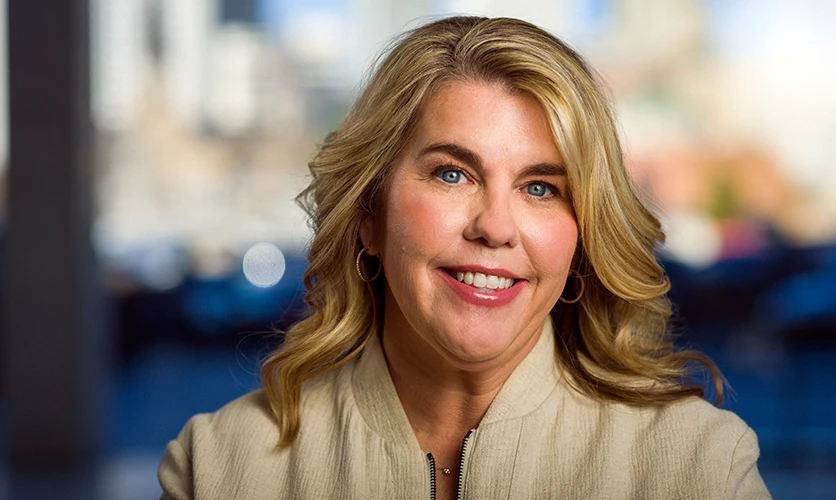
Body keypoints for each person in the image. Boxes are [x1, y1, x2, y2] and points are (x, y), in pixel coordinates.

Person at [158, 16, 770, 499]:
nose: (495, 227)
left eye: (540, 188)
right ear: (369, 214)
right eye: (452, 174)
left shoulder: (698, 469)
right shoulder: (218, 470)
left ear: (582, 240)